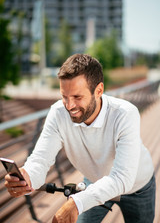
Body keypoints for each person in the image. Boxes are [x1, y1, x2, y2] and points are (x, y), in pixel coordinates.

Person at [5, 54, 155, 223]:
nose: (69, 106)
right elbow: (40, 159)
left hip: (137, 188)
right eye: (64, 96)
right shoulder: (58, 113)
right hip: (94, 183)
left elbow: (122, 178)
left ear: (98, 90)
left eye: (77, 97)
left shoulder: (125, 113)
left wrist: (77, 203)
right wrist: (27, 176)